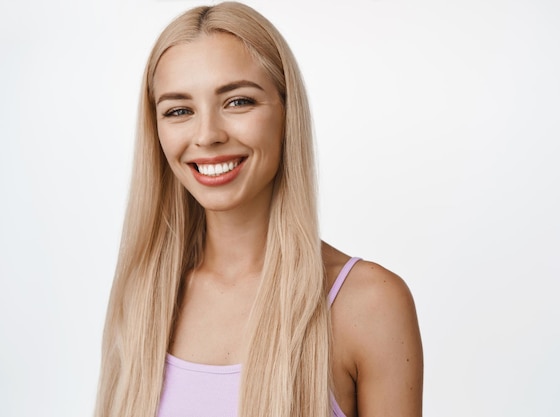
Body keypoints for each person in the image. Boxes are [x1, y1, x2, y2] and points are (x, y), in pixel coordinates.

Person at [94, 2, 423, 416]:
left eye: (238, 102)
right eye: (179, 111)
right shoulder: (143, 296)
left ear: (287, 112)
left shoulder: (369, 303)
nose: (208, 135)